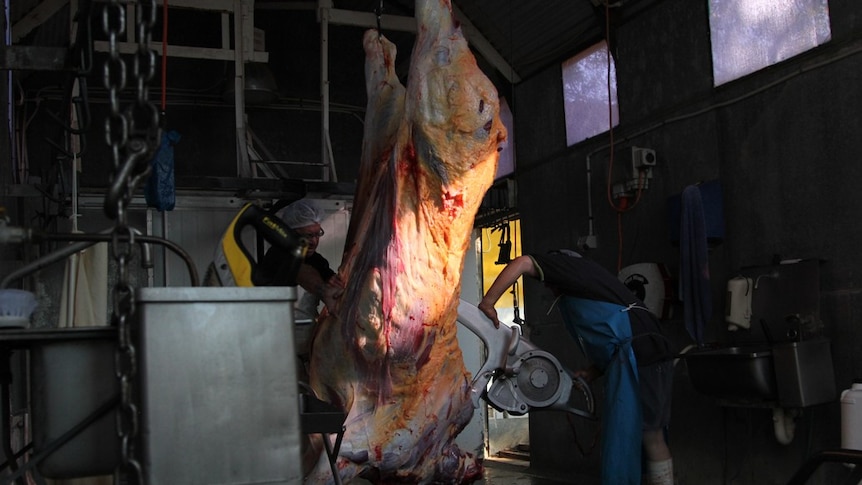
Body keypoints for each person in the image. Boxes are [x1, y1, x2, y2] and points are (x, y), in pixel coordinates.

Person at [478, 249, 674, 485]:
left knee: (629, 439)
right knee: (652, 436)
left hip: (638, 355)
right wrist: (591, 372)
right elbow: (611, 339)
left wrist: (489, 302)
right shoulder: (591, 284)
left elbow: (522, 262)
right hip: (653, 353)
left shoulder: (565, 266)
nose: (548, 289)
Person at [259, 199, 344, 358]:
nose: (313, 241)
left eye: (317, 234)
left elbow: (332, 280)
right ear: (291, 233)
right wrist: (323, 291)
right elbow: (299, 271)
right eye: (307, 235)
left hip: (305, 348)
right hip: (274, 348)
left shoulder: (318, 261)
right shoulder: (277, 256)